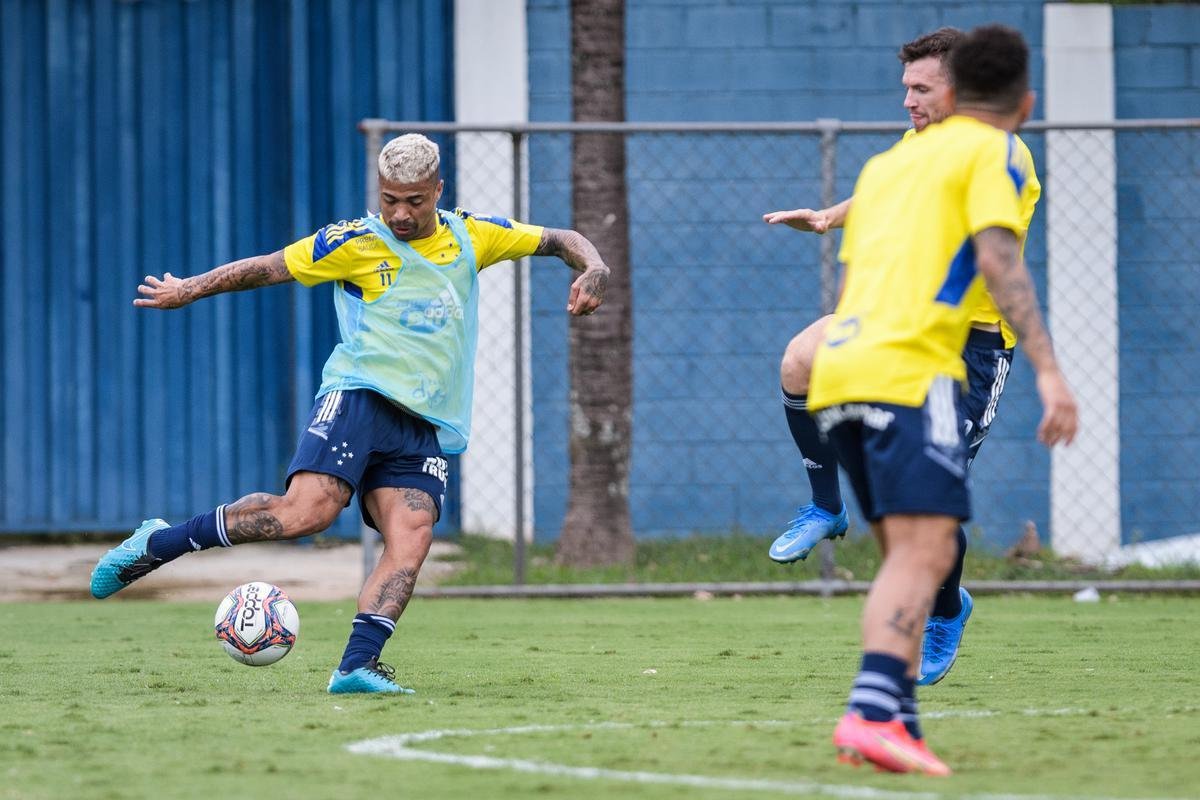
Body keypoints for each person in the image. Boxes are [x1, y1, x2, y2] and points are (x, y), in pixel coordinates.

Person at [90, 133, 611, 694]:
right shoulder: (352, 242)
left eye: (414, 200)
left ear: (438, 190)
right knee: (305, 515)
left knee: (412, 534)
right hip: (359, 395)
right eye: (390, 199)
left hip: (421, 421)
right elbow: (268, 267)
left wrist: (594, 266)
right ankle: (158, 543)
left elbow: (562, 239)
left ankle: (356, 666)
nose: (401, 213)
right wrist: (189, 288)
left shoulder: (473, 236)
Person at [806, 25, 1077, 774]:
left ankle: (902, 721)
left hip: (841, 366)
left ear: (951, 91)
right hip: (912, 368)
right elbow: (998, 258)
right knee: (924, 550)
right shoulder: (993, 151)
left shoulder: (890, 164)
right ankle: (870, 712)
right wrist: (1051, 372)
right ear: (1024, 102)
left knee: (905, 551)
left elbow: (856, 276)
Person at [762, 26, 1042, 687]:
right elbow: (891, 191)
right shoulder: (917, 146)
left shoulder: (997, 155)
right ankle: (825, 505)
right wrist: (831, 217)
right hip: (895, 323)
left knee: (928, 515)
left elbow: (996, 256)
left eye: (921, 89)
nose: (908, 102)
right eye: (905, 89)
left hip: (966, 346)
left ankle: (947, 609)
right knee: (800, 359)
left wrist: (1050, 370)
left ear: (960, 89)